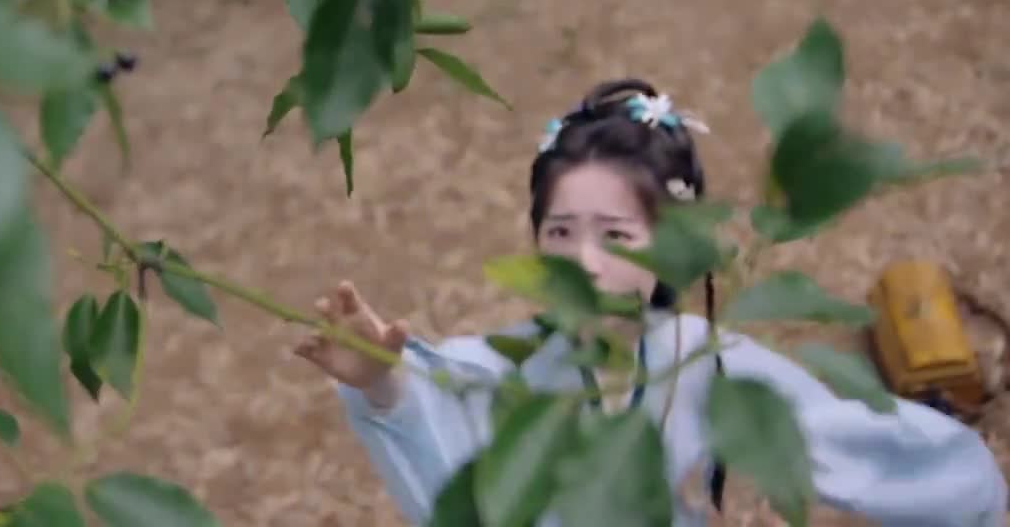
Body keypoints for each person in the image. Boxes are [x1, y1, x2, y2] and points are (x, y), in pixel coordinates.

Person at [293, 79, 1008, 527]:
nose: (583, 261)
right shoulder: (512, 367)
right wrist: (383, 382)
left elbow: (861, 445)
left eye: (616, 235)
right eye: (560, 232)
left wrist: (963, 489)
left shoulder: (706, 364)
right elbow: (444, 406)